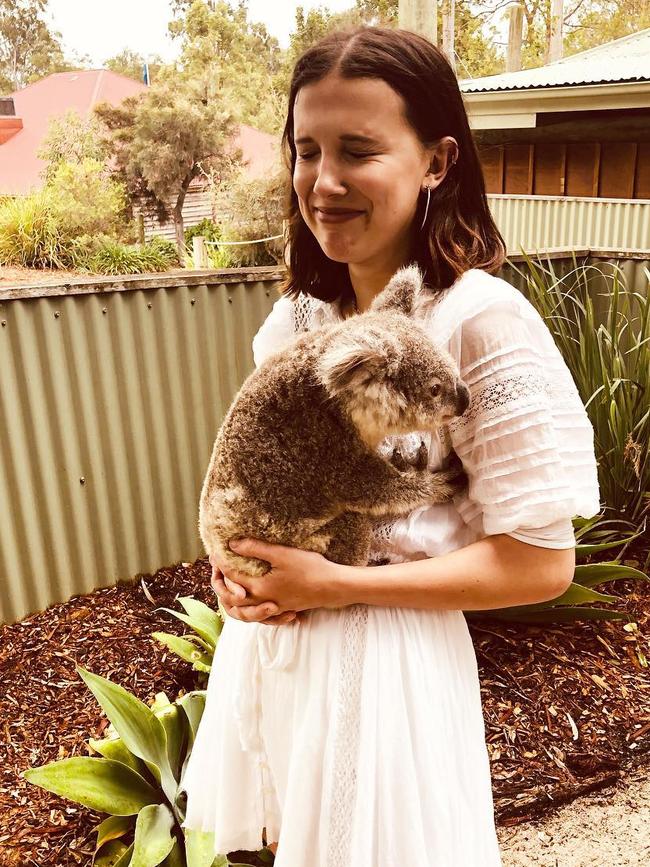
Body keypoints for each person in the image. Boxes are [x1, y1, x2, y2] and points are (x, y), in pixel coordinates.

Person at [180, 25, 600, 866]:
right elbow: (270, 480)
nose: (323, 182)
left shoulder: (480, 323)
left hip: (389, 681)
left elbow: (541, 562)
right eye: (306, 150)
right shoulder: (297, 321)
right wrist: (236, 569)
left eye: (358, 151)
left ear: (438, 162)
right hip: (270, 659)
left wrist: (335, 585)